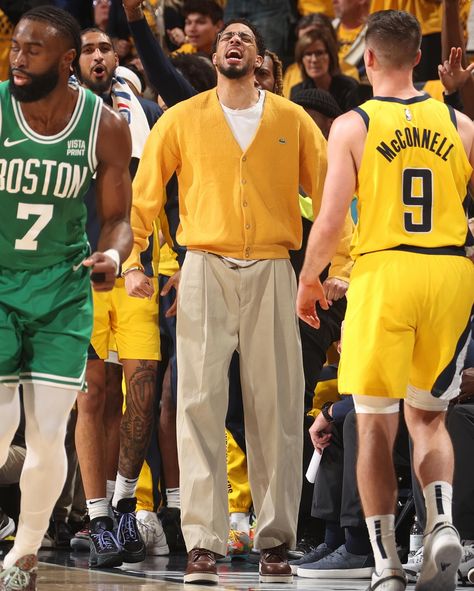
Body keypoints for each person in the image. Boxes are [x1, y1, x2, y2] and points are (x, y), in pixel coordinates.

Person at [125, 17, 327, 585]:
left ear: (261, 60)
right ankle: (205, 543)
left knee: (279, 409)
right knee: (198, 405)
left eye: (244, 37)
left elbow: (333, 189)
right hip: (204, 266)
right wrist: (137, 259)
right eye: (225, 38)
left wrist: (343, 263)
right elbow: (145, 197)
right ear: (214, 56)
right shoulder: (181, 119)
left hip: (272, 266)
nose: (233, 42)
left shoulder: (292, 120)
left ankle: (275, 540)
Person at [296, 9, 474, 591]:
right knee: (429, 417)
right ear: (417, 57)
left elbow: (327, 221)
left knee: (374, 423)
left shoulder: (351, 125)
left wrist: (309, 279)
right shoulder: (460, 123)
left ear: (368, 58)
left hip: (384, 270)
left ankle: (387, 564)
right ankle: (442, 522)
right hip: (449, 272)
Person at [0, 5, 132, 590]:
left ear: (67, 59)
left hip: (62, 289)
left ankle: (24, 554)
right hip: (1, 285)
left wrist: (114, 256)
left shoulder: (103, 125)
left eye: (32, 49)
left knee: (49, 431)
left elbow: (118, 219)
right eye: (15, 46)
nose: (17, 57)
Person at [73, 26, 166, 568]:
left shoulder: (147, 110)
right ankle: (98, 516)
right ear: (73, 60)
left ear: (119, 56)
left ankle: (126, 497)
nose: (99, 55)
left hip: (137, 268)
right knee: (94, 396)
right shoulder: (58, 117)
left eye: (107, 47)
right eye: (88, 49)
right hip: (79, 272)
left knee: (143, 390)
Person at [290, 27, 361, 112]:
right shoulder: (297, 92)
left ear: (330, 56)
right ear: (301, 60)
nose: (314, 60)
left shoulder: (348, 87)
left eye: (319, 53)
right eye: (308, 54)